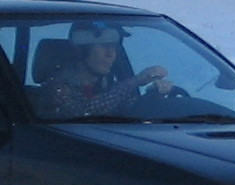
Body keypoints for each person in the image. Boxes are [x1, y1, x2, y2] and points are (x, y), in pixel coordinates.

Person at [42, 21, 174, 117]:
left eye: (114, 47)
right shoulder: (57, 87)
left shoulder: (109, 86)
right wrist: (134, 82)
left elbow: (132, 111)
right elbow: (83, 113)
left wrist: (155, 95)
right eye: (103, 46)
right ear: (81, 51)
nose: (111, 54)